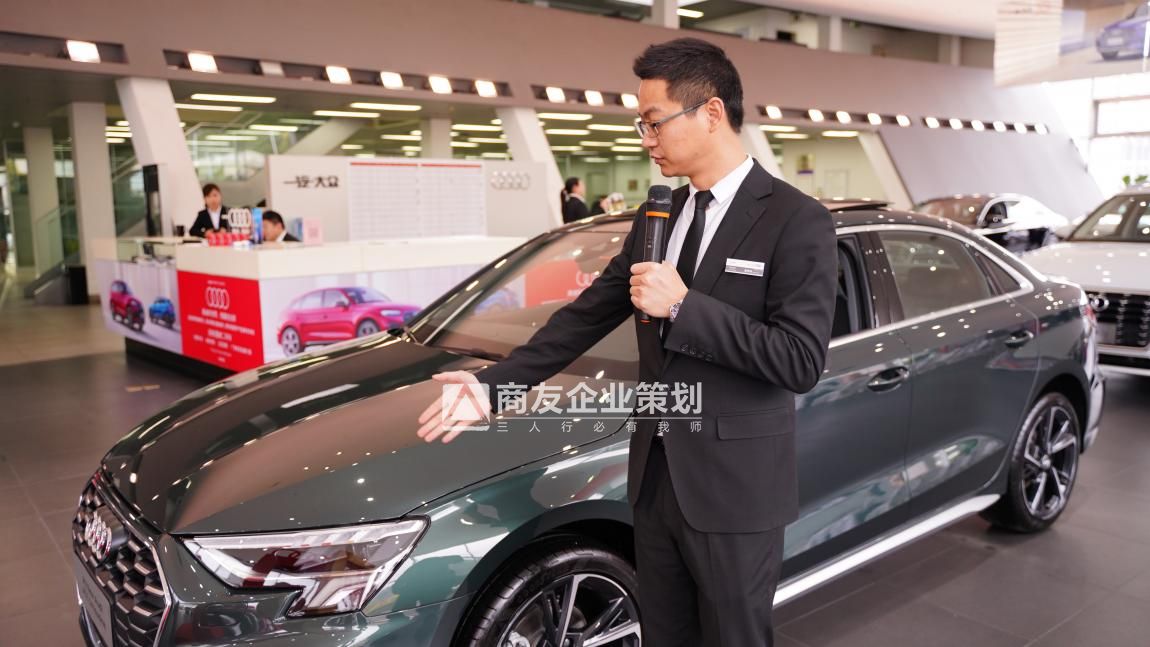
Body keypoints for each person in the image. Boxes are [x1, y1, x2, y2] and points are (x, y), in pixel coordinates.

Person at [417, 37, 836, 647]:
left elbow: (798, 360)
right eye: (641, 124)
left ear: (710, 113)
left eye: (654, 122)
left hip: (735, 490)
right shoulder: (658, 214)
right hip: (656, 482)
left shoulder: (795, 220)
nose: (646, 139)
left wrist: (686, 307)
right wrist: (491, 388)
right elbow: (585, 316)